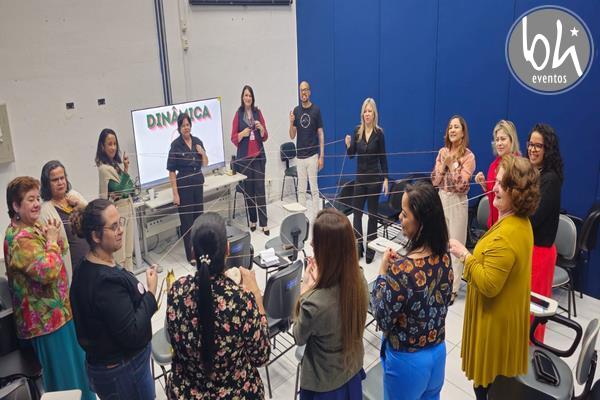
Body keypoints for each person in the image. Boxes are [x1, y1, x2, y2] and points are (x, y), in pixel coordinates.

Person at [448, 155, 540, 400]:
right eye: (496, 181)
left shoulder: (506, 236)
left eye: (501, 184)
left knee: (486, 389)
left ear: (517, 193)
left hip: (495, 326)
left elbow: (488, 284)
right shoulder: (519, 222)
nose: (494, 187)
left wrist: (464, 254)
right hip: (504, 318)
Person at [4, 177, 95, 399]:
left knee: (78, 373)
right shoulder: (19, 240)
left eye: (37, 198)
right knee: (65, 382)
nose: (37, 204)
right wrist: (52, 241)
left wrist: (54, 239)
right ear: (16, 205)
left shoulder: (32, 226)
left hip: (59, 316)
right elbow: (49, 271)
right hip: (45, 325)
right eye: (30, 199)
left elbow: (59, 250)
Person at [166, 212, 270, 399]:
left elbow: (173, 339)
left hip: (187, 392)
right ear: (227, 249)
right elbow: (261, 356)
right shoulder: (242, 301)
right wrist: (256, 296)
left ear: (193, 253)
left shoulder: (177, 291)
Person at [371, 181, 453, 400]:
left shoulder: (401, 270)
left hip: (408, 363)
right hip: (438, 355)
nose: (400, 217)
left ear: (421, 223)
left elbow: (382, 318)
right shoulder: (445, 257)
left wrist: (382, 273)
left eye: (405, 214)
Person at [69, 199, 158, 400]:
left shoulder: (88, 266)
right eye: (114, 226)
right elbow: (133, 333)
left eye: (120, 223)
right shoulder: (104, 283)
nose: (121, 230)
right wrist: (151, 295)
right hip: (124, 372)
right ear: (95, 236)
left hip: (115, 368)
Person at [293, 209, 369, 399]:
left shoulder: (313, 304)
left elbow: (298, 336)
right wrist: (322, 282)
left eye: (316, 240)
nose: (311, 243)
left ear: (327, 250)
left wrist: (305, 290)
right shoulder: (359, 278)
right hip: (352, 371)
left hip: (325, 385)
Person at [431, 115, 476, 304]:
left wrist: (452, 165)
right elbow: (435, 181)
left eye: (456, 127)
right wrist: (443, 166)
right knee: (439, 243)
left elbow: (462, 186)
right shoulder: (442, 152)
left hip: (458, 202)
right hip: (441, 198)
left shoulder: (469, 157)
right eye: (450, 127)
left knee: (455, 246)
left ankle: (453, 288)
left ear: (463, 132)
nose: (452, 130)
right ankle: (438, 282)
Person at [527, 123, 563, 342]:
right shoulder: (534, 173)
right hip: (529, 249)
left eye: (538, 145)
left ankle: (531, 354)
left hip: (540, 253)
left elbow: (533, 218)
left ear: (547, 149)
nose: (532, 149)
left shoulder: (550, 180)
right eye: (531, 144)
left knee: (533, 315)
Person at [345, 98, 389, 264]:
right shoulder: (357, 131)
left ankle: (371, 247)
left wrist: (385, 178)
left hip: (374, 180)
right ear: (362, 114)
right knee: (356, 213)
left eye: (370, 111)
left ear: (374, 114)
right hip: (360, 179)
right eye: (365, 111)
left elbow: (383, 157)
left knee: (372, 215)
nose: (367, 114)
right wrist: (348, 145)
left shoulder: (379, 133)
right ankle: (358, 246)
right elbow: (351, 155)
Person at [167, 112, 208, 265]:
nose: (186, 128)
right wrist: (175, 194)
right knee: (187, 222)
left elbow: (205, 163)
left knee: (199, 219)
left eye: (188, 125)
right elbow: (171, 171)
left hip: (197, 184)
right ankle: (191, 255)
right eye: (183, 125)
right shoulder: (175, 145)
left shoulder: (197, 141)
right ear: (179, 128)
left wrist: (202, 152)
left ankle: (200, 250)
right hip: (184, 188)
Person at [40, 160, 89, 281]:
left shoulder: (75, 196)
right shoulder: (45, 210)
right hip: (71, 269)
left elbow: (95, 218)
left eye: (62, 178)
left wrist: (80, 205)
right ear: (47, 184)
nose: (60, 182)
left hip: (90, 260)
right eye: (55, 180)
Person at [231, 85, 270, 235]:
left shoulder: (257, 113)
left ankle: (264, 223)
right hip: (245, 159)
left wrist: (261, 129)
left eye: (250, 95)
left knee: (260, 190)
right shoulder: (238, 114)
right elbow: (233, 138)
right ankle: (253, 220)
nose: (248, 98)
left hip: (259, 157)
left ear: (253, 98)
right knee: (249, 191)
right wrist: (242, 134)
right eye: (246, 95)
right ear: (242, 97)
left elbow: (265, 136)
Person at [96, 128, 135, 271]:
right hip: (118, 212)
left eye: (115, 144)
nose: (113, 147)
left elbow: (130, 188)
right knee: (120, 253)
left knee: (129, 251)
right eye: (109, 144)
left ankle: (131, 278)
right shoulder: (104, 168)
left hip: (128, 207)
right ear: (102, 146)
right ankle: (122, 280)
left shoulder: (115, 165)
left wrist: (125, 169)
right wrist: (124, 183)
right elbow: (119, 189)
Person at [474, 120, 520, 228]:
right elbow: (493, 195)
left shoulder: (518, 166)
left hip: (509, 225)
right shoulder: (493, 165)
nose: (499, 143)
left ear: (512, 140)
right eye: (497, 139)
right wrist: (485, 185)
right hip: (494, 224)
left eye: (503, 139)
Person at [289, 81, 325, 214]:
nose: (303, 92)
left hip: (312, 156)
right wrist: (291, 122)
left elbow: (320, 133)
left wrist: (321, 156)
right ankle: (301, 219)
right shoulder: (296, 111)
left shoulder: (316, 110)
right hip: (300, 158)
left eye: (305, 90)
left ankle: (316, 219)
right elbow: (292, 135)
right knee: (301, 190)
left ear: (309, 92)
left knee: (314, 190)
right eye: (301, 90)